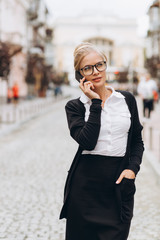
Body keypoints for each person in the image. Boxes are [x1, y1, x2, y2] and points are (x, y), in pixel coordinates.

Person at [60, 42, 144, 240]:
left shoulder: (127, 100)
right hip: (84, 192)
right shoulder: (75, 107)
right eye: (87, 68)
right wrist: (95, 102)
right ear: (80, 75)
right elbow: (88, 142)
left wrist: (132, 169)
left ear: (106, 64)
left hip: (118, 188)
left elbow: (136, 141)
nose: (96, 71)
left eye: (99, 64)